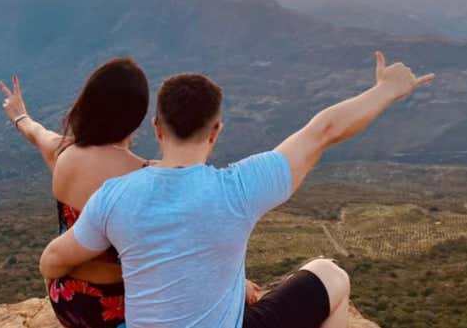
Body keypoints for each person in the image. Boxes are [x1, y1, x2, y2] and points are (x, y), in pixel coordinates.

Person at [39, 51, 435, 328]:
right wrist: (386, 90)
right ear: (216, 132)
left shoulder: (116, 194)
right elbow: (323, 131)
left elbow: (54, 258)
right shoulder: (239, 188)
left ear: (157, 128)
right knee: (329, 273)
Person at [0, 57, 262, 328]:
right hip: (114, 309)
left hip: (66, 300)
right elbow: (185, 244)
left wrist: (20, 116)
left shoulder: (63, 152)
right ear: (140, 119)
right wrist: (235, 283)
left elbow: (36, 133)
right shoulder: (144, 178)